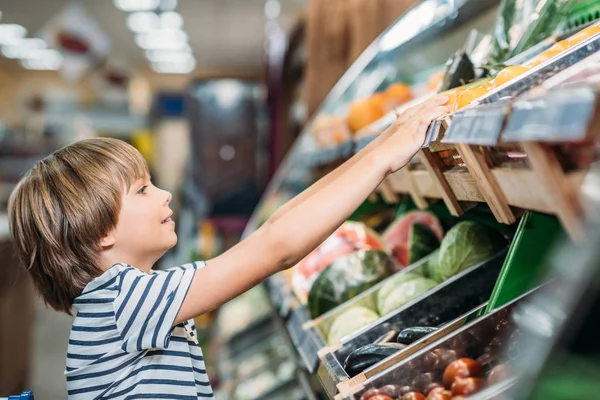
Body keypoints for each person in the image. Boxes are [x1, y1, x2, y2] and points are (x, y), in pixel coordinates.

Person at [7, 96, 449, 399]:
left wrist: (379, 148)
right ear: (101, 230)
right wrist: (383, 158)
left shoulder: (121, 299)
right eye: (143, 190)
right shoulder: (124, 300)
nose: (165, 195)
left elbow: (273, 227)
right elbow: (277, 247)